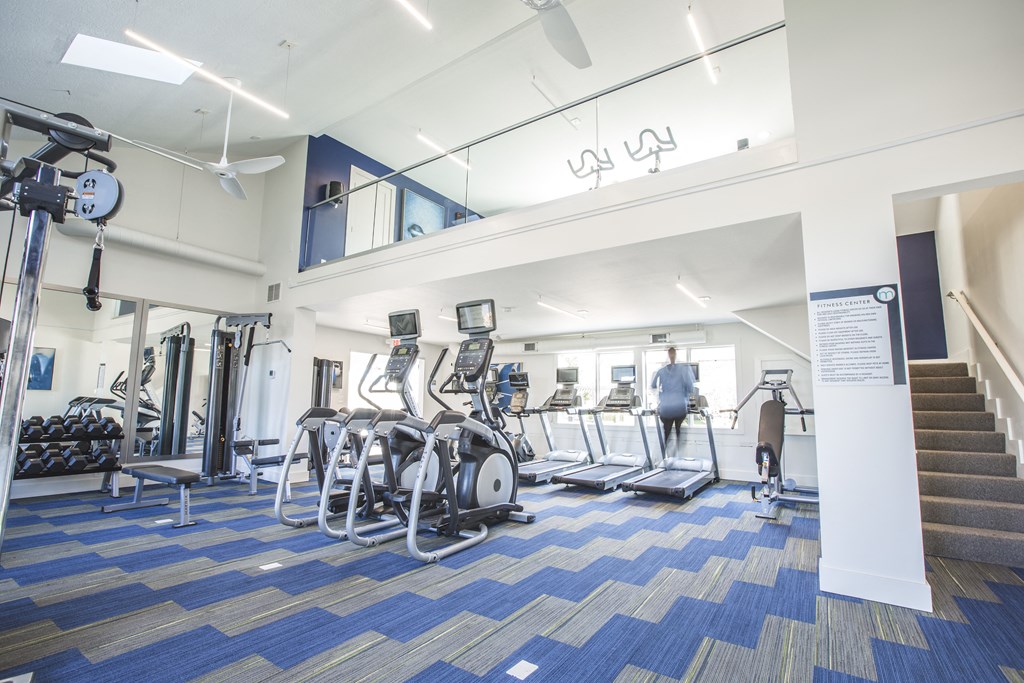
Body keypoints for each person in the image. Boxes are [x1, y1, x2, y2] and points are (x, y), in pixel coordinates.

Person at [650, 347, 695, 448]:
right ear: (676, 354)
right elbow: (691, 387)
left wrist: (661, 396)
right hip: (680, 407)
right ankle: (678, 446)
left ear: (668, 355)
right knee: (678, 428)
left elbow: (653, 386)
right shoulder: (684, 369)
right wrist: (685, 395)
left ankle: (666, 448)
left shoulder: (661, 371)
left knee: (667, 431)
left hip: (666, 408)